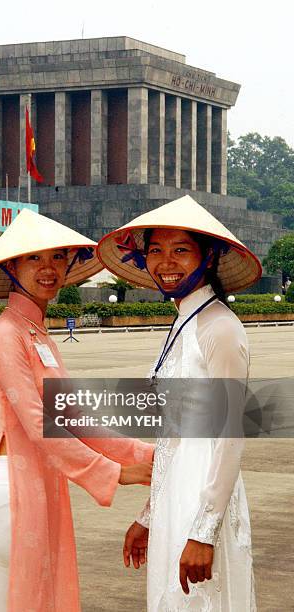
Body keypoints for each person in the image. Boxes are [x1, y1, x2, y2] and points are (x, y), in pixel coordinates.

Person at [0, 209, 154, 612]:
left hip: (41, 487)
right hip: (11, 491)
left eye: (58, 257)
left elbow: (73, 416)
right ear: (11, 266)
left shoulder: (38, 334)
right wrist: (113, 473)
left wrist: (146, 456)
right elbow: (38, 423)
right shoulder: (5, 334)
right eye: (34, 258)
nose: (49, 269)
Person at [97, 195, 261, 611]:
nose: (166, 262)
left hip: (204, 499)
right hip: (175, 496)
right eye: (155, 250)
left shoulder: (219, 327)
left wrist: (204, 532)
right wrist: (149, 515)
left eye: (181, 250)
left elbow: (228, 435)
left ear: (207, 258)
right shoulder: (185, 322)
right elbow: (174, 437)